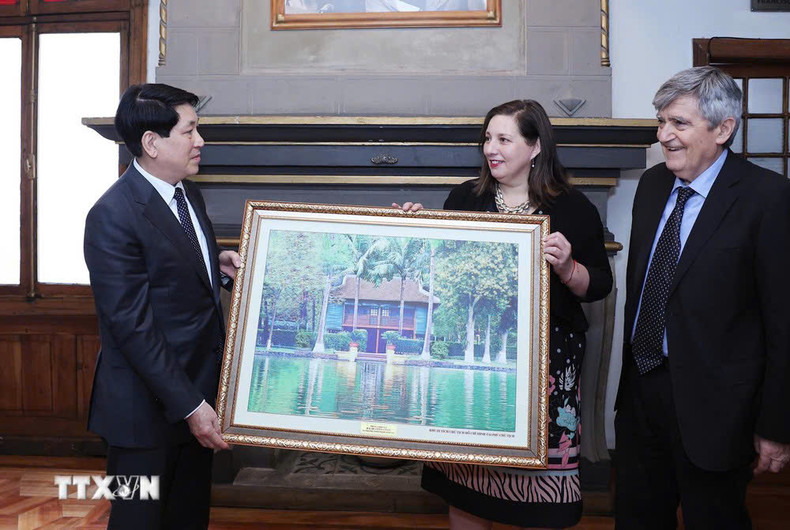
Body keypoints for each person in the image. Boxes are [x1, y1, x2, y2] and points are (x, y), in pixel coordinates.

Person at [399, 99, 613, 529]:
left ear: (535, 147)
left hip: (548, 370)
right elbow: (441, 275)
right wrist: (415, 234)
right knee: (467, 484)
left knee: (542, 497)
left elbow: (599, 285)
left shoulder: (573, 208)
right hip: (476, 355)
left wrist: (570, 268)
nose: (490, 149)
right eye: (486, 139)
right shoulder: (465, 198)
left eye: (503, 139)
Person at [615, 66, 790, 529]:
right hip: (642, 394)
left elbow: (784, 324)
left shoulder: (768, 199)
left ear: (723, 129)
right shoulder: (652, 187)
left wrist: (776, 427)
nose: (663, 135)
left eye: (679, 123)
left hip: (717, 409)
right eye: (661, 121)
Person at [84, 83, 240, 529]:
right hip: (142, 418)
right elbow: (132, 327)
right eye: (190, 131)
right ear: (152, 143)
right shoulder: (112, 215)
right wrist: (192, 407)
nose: (200, 141)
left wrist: (219, 265)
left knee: (187, 520)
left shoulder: (187, 193)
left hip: (197, 404)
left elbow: (176, 271)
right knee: (136, 521)